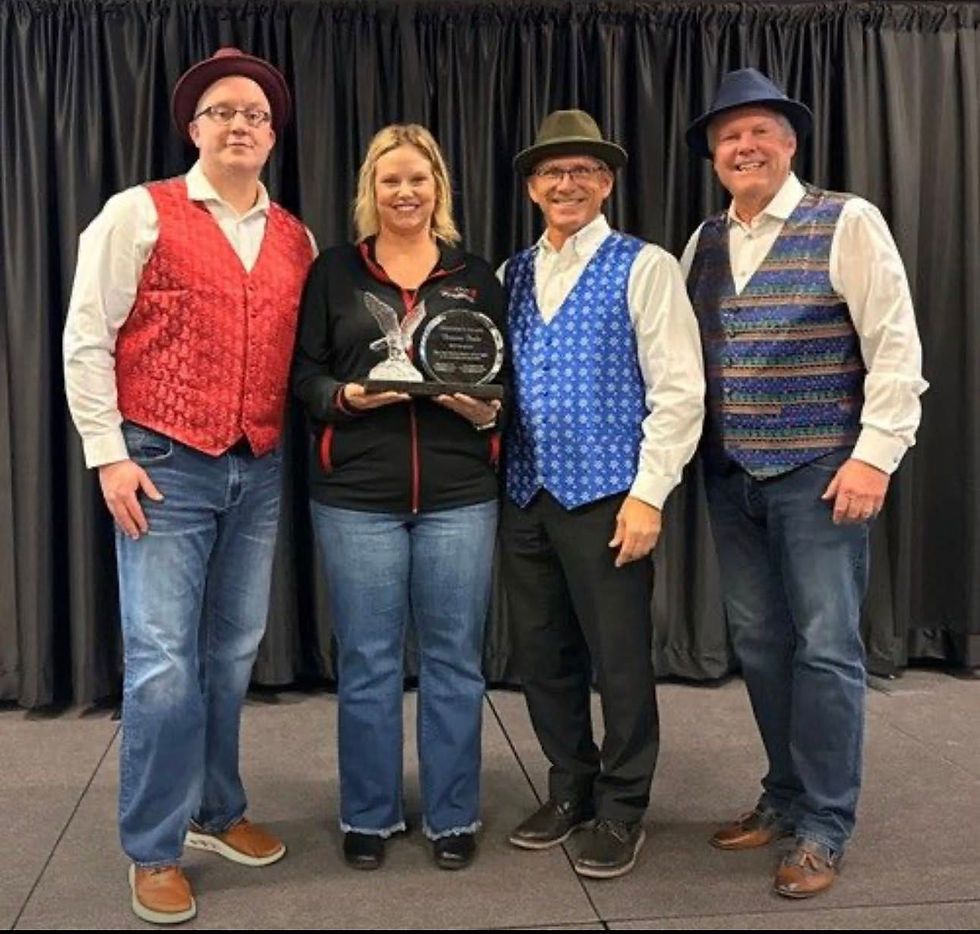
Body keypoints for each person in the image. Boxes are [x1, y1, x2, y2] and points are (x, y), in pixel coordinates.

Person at [63, 48, 315, 924]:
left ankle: (216, 809)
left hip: (259, 464)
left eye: (254, 114)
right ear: (194, 127)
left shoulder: (296, 237)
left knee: (231, 650)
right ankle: (154, 847)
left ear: (272, 135)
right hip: (163, 463)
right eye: (223, 112)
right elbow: (87, 335)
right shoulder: (137, 212)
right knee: (164, 661)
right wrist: (108, 452)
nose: (239, 124)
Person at [681, 68, 927, 897]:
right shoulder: (704, 241)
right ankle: (783, 796)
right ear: (715, 157)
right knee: (759, 643)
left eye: (759, 133)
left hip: (822, 470)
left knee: (826, 646)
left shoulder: (846, 219)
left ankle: (824, 823)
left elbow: (895, 344)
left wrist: (875, 453)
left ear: (790, 143)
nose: (744, 147)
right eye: (728, 137)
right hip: (732, 473)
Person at [292, 124, 506, 872]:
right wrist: (347, 397)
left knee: (453, 660)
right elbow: (305, 380)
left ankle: (452, 815)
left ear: (439, 188)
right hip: (356, 498)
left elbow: (504, 385)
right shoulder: (334, 274)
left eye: (419, 179)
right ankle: (369, 814)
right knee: (370, 661)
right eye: (390, 181)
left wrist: (485, 412)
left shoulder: (477, 275)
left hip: (459, 497)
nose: (405, 192)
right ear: (370, 192)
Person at [500, 110, 705, 879]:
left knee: (618, 661)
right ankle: (569, 786)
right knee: (544, 658)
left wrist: (649, 495)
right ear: (531, 187)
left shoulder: (643, 265)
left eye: (583, 170)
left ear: (607, 182)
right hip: (525, 497)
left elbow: (680, 391)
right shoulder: (510, 275)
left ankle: (622, 808)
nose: (567, 183)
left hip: (610, 498)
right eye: (553, 171)